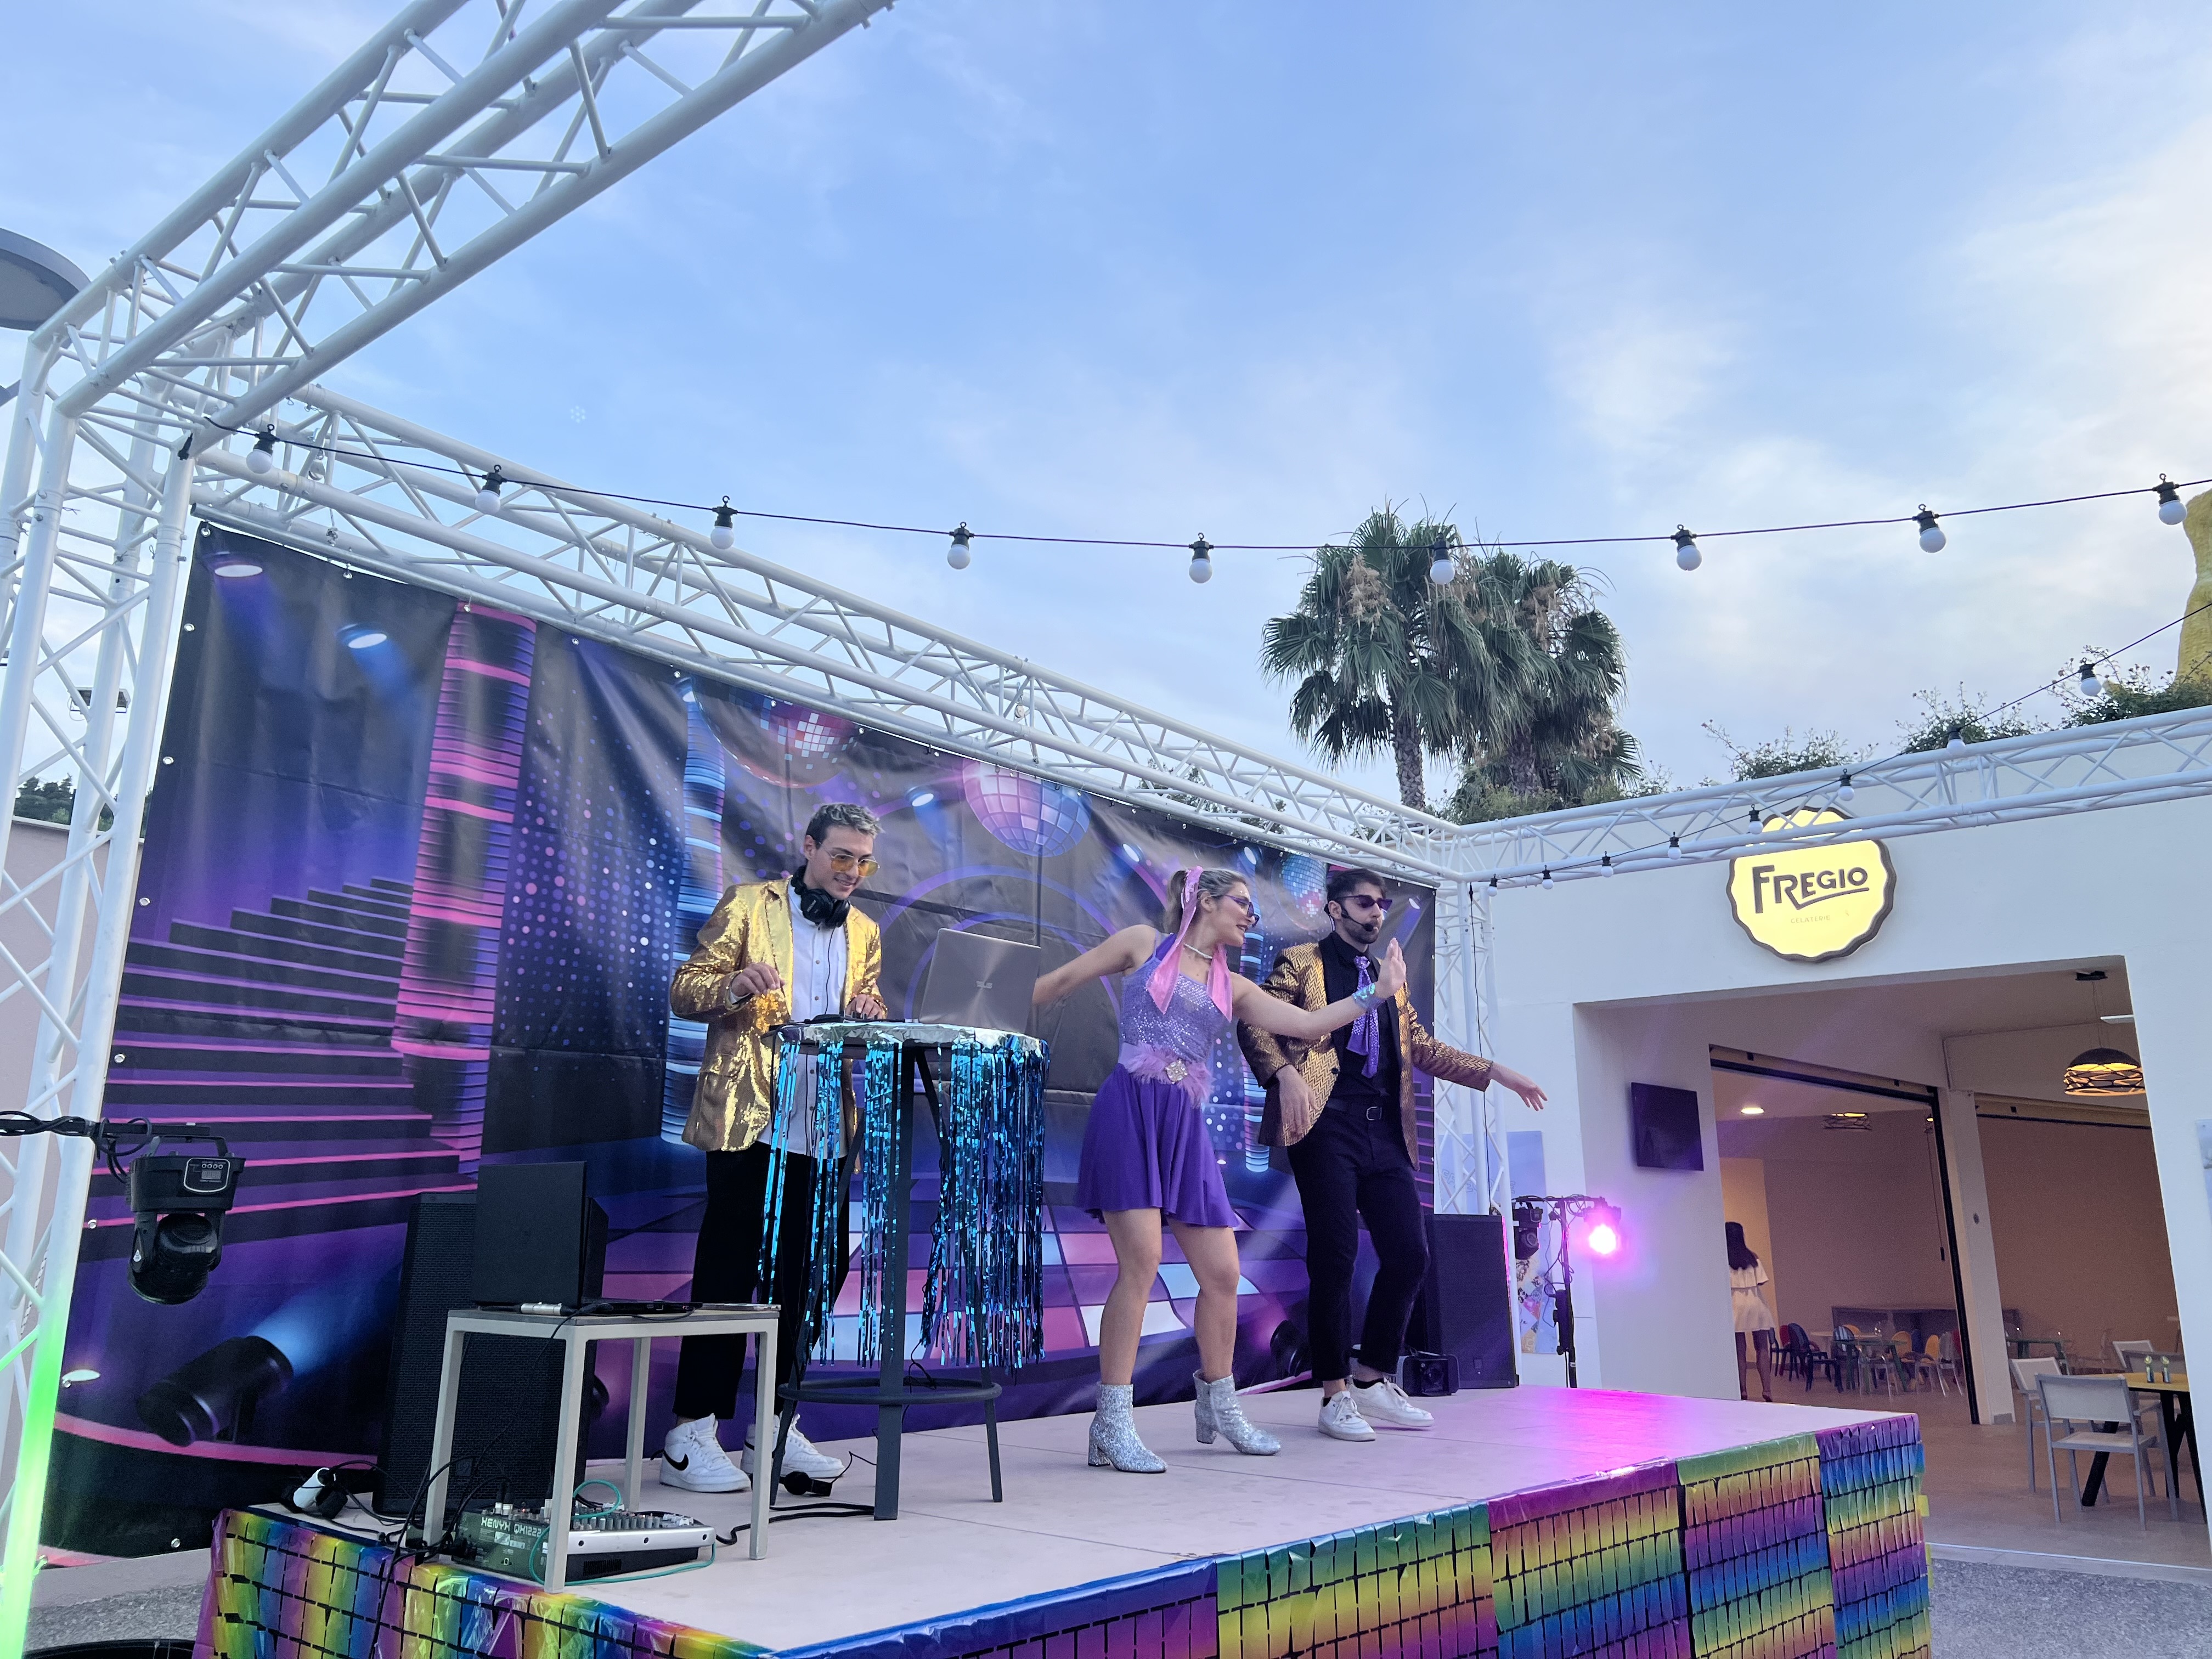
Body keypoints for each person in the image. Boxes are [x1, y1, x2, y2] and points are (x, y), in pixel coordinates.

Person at [1031, 865, 1407, 1473]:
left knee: (1224, 1274)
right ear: (1203, 901)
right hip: (1131, 1109)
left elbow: (1308, 1026)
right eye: (1241, 903)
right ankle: (1112, 1422)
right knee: (1143, 1261)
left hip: (1183, 1124)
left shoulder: (1234, 986)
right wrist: (1001, 1023)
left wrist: (1377, 992)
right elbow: (1060, 981)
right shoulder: (1141, 945)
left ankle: (1221, 1404)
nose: (1249, 916)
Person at [1241, 867, 1548, 1442]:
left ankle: (1370, 1377)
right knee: (1334, 1257)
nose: (1377, 913)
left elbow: (1422, 1049)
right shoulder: (1301, 962)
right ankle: (1333, 1394)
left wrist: (1497, 1071)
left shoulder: (1388, 976)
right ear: (1336, 910)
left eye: (1382, 904)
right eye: (1364, 903)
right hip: (1324, 1125)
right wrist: (1283, 1074)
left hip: (1383, 1133)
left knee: (1410, 1255)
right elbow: (1256, 1025)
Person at [660, 802, 890, 1492]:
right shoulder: (749, 905)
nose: (852, 872)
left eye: (863, 861)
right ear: (810, 847)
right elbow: (684, 990)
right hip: (749, 1118)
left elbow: (863, 1005)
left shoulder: (867, 932)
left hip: (823, 1128)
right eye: (842, 856)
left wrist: (869, 1013)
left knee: (811, 1278)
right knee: (728, 1274)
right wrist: (733, 983)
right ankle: (690, 1433)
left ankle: (777, 1428)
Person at [1726, 1221, 1777, 1402]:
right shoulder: (1752, 1258)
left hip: (1735, 1304)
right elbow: (1762, 1281)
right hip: (1756, 1303)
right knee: (1762, 1347)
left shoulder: (1724, 1259)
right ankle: (1768, 1390)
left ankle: (1743, 1390)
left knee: (1740, 1350)